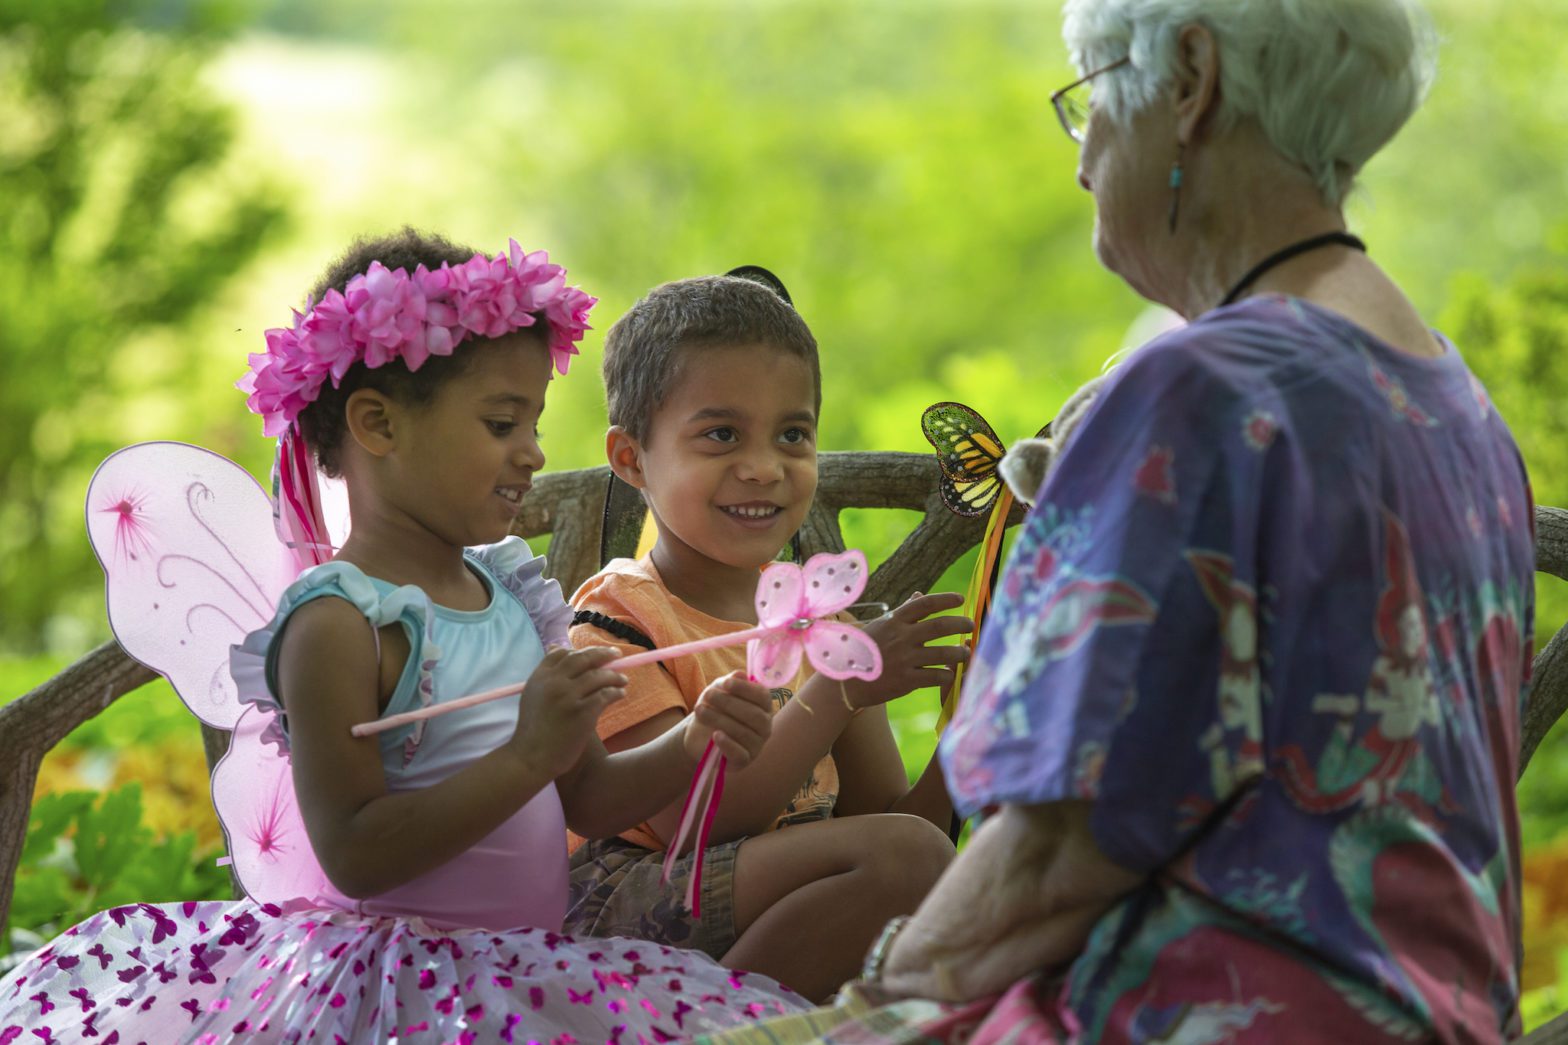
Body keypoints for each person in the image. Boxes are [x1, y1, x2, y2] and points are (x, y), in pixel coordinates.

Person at [704, 0, 1536, 1042]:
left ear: (1187, 80)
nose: (1085, 157)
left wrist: (862, 1009)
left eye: (1089, 97)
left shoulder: (1204, 389)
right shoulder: (1450, 402)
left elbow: (1055, 849)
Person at [0, 230, 810, 1041]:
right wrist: (527, 752)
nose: (531, 452)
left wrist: (693, 740)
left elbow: (590, 796)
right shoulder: (338, 624)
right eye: (501, 422)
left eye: (532, 421)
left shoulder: (510, 595)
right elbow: (355, 851)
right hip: (395, 990)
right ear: (378, 424)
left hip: (531, 967)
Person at [565, 273, 969, 1001]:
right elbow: (700, 823)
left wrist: (974, 734)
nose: (764, 466)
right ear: (631, 459)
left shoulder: (822, 618)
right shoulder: (621, 617)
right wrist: (839, 689)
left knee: (925, 864)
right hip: (629, 915)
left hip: (766, 915)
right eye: (721, 434)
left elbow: (893, 830)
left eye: (793, 433)